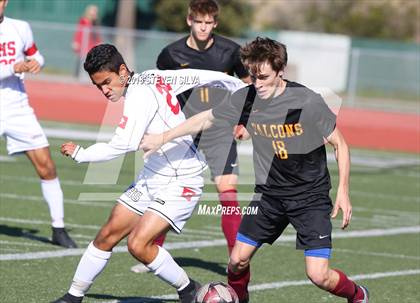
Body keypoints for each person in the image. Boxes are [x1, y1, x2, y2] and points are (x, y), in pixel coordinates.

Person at [140, 37, 369, 303]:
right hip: (269, 196)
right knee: (236, 261)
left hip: (309, 198)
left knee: (318, 275)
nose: (256, 83)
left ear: (281, 70)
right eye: (253, 75)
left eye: (263, 77)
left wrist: (343, 190)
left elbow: (340, 143)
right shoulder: (246, 97)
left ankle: (358, 295)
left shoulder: (306, 101)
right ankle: (239, 299)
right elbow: (206, 118)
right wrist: (162, 137)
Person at [52, 44, 246, 303]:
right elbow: (199, 76)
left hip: (181, 180)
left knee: (138, 244)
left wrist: (81, 153)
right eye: (98, 86)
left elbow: (124, 144)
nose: (104, 90)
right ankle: (73, 296)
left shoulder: (138, 95)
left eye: (107, 82)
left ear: (122, 71)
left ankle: (189, 290)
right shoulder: (152, 75)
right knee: (108, 234)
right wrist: (236, 85)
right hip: (151, 175)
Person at [131, 0, 251, 274]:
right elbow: (159, 90)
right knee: (166, 189)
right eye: (199, 22)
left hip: (220, 129)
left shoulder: (231, 52)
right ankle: (153, 252)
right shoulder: (170, 54)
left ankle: (237, 261)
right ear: (189, 21)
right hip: (183, 130)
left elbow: (248, 88)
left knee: (228, 193)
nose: (204, 28)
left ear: (215, 23)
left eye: (209, 23)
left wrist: (245, 121)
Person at [0, 0, 76, 248]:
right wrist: (14, 66)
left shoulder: (20, 27)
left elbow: (36, 55)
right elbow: (12, 66)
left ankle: (58, 228)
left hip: (17, 108)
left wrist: (36, 63)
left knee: (47, 166)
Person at [72, 4, 102, 77]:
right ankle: (79, 76)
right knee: (82, 62)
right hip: (84, 46)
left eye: (95, 12)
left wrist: (99, 43)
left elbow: (97, 35)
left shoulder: (95, 23)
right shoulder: (83, 21)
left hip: (92, 46)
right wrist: (76, 42)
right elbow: (79, 32)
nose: (94, 14)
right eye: (92, 12)